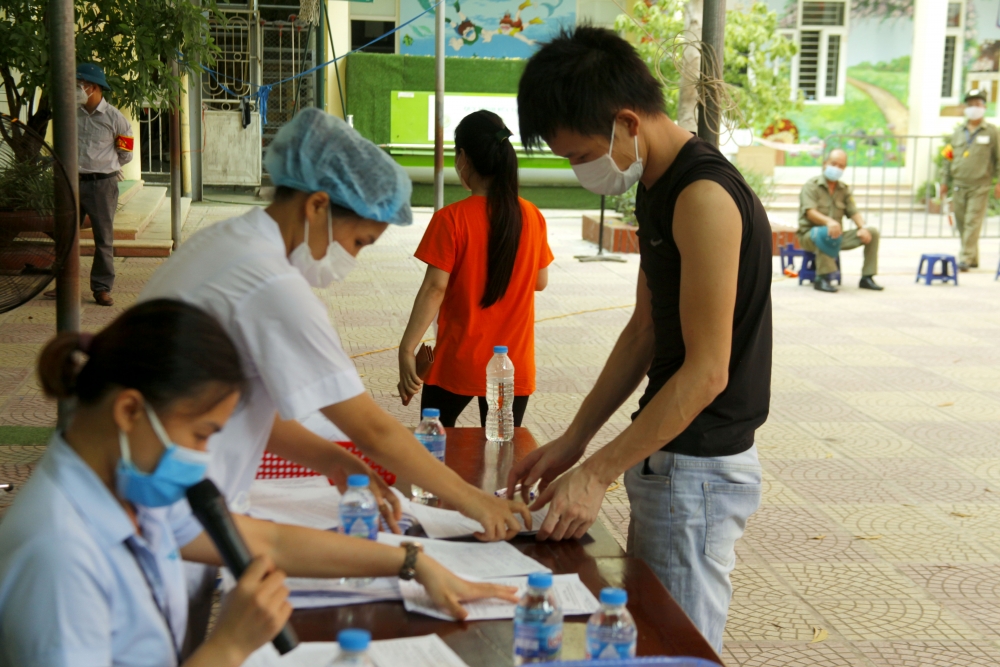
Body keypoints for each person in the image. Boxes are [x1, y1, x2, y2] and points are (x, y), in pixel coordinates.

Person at [0, 299, 518, 667]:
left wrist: (413, 563)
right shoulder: (57, 555)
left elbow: (268, 541)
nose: (203, 457)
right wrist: (228, 647)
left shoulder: (127, 489)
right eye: (201, 435)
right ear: (130, 411)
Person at [508, 27, 771, 652]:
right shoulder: (658, 186)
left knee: (676, 649)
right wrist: (574, 441)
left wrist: (596, 473)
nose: (580, 170)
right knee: (653, 636)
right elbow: (643, 331)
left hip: (697, 465)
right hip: (669, 459)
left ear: (627, 122)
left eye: (580, 155)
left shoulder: (702, 195)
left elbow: (708, 372)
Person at [397, 110, 553, 426]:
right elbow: (539, 281)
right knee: (501, 450)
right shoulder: (531, 216)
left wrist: (407, 348)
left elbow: (434, 288)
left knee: (435, 443)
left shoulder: (451, 219)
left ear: (464, 158)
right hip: (512, 365)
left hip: (458, 361)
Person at [46, 63, 133, 306]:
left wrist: (106, 167)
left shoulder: (116, 118)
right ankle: (65, 285)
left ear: (92, 87)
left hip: (102, 185)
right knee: (65, 235)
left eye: (79, 85)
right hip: (71, 183)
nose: (75, 90)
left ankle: (102, 289)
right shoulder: (71, 114)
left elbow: (126, 154)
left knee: (103, 238)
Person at [797, 149, 883, 293]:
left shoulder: (843, 189)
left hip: (836, 236)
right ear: (825, 163)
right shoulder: (811, 186)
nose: (836, 168)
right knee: (826, 232)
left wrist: (862, 227)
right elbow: (810, 212)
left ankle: (867, 277)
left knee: (872, 232)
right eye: (833, 164)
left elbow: (853, 211)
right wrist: (828, 222)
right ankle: (822, 278)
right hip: (809, 236)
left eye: (841, 166)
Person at [941, 89, 1000, 271]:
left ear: (984, 107)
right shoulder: (958, 132)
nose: (974, 108)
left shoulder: (992, 132)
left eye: (978, 104)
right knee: (961, 222)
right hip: (959, 184)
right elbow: (948, 158)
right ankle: (972, 258)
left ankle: (965, 258)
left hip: (979, 185)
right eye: (970, 104)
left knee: (972, 221)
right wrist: (944, 181)